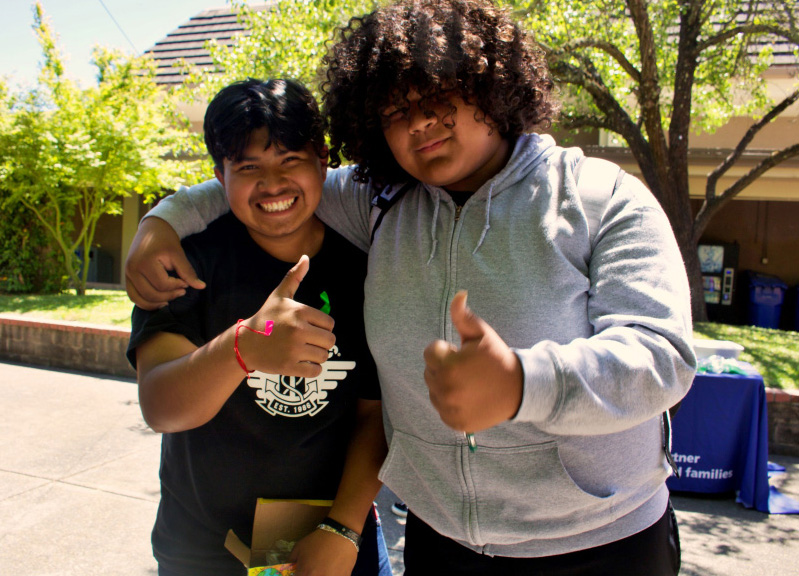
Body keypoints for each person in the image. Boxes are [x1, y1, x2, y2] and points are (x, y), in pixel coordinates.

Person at [125, 1, 697, 574]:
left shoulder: (599, 198)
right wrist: (161, 223)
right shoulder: (378, 201)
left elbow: (663, 357)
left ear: (491, 84)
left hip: (599, 541)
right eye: (395, 111)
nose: (418, 123)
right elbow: (269, 181)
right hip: (440, 539)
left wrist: (526, 382)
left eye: (437, 98)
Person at [127, 78, 391, 576]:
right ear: (219, 176)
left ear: (323, 160)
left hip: (335, 544)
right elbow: (160, 407)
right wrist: (244, 348)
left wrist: (343, 530)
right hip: (206, 550)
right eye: (248, 168)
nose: (272, 185)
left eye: (290, 160)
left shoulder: (368, 266)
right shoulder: (187, 262)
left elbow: (374, 416)